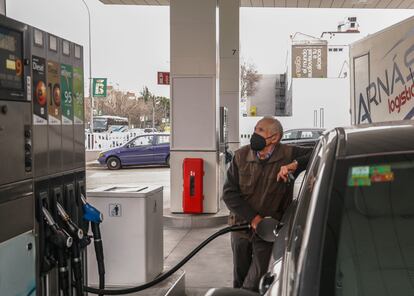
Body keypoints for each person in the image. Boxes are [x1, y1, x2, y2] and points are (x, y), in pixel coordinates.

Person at [223, 116, 312, 292]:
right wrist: (254, 219)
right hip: (240, 227)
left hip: (269, 230)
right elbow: (229, 193)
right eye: (255, 129)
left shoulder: (288, 154)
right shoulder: (240, 156)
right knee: (240, 275)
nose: (255, 134)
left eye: (260, 131)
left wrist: (294, 165)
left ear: (274, 138)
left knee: (256, 278)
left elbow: (319, 150)